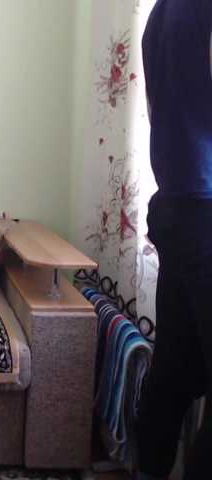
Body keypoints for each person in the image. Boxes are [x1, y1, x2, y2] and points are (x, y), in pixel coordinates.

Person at [137, 1, 212, 479]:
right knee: (176, 373)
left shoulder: (162, 12)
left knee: (175, 372)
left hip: (178, 205)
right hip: (204, 213)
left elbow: (157, 111)